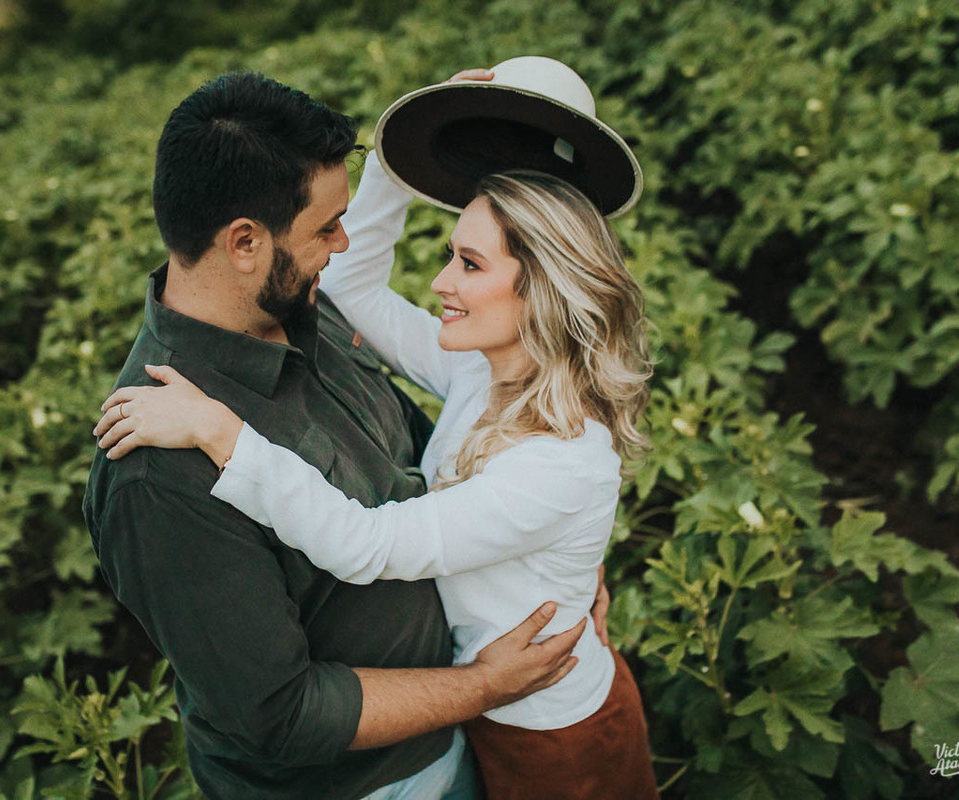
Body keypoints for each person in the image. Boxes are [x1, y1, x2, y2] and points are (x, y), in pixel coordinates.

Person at [95, 58, 661, 799]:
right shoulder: (160, 462)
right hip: (384, 777)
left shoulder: (307, 309)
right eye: (327, 225)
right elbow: (279, 713)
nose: (345, 244)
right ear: (245, 244)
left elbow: (420, 516)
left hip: (515, 720)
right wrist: (483, 684)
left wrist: (559, 565)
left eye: (466, 262)